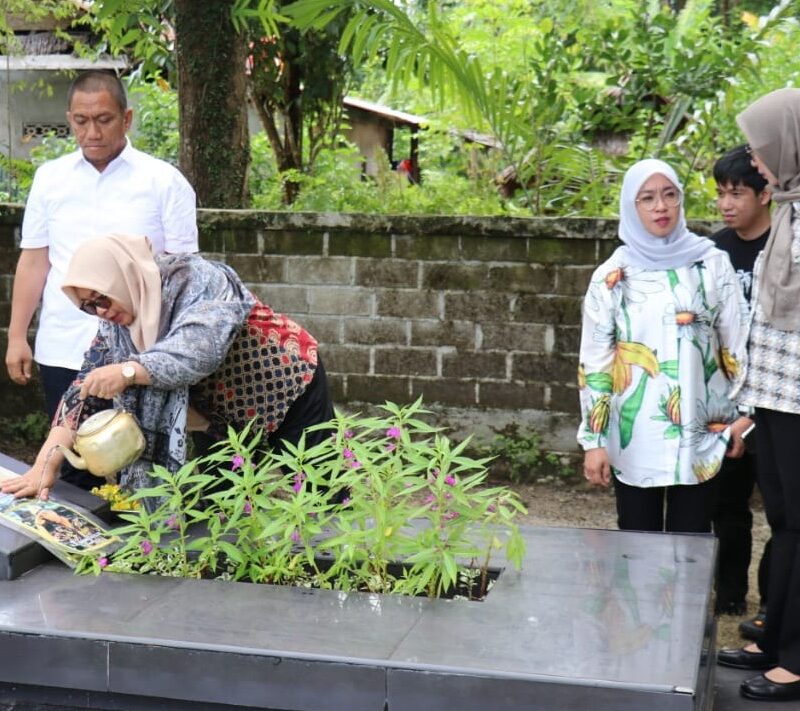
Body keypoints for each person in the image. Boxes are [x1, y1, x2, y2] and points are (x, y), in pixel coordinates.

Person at [0, 234, 334, 511]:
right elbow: (82, 392)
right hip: (218, 416)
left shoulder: (196, 279)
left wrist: (128, 371)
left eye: (101, 298)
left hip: (283, 388)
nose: (100, 311)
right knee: (222, 506)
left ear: (122, 276)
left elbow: (199, 349)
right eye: (88, 306)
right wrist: (44, 467)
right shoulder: (115, 325)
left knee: (323, 491)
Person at [5, 70, 198, 480]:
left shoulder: (164, 182)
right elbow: (35, 260)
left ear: (126, 119)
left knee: (146, 469)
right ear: (69, 119)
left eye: (104, 119)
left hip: (139, 355)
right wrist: (17, 335)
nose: (92, 132)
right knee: (75, 468)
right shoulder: (50, 179)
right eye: (81, 121)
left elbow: (184, 278)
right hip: (64, 346)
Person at [578, 158, 751, 534]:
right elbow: (596, 364)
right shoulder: (613, 277)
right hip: (634, 437)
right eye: (648, 198)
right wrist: (594, 440)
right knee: (637, 543)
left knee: (691, 543)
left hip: (702, 433)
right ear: (631, 206)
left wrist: (744, 417)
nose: (661, 206)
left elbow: (736, 345)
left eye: (670, 195)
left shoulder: (711, 264)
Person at [716, 88, 800, 703]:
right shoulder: (790, 212)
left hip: (797, 400)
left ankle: (795, 657)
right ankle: (776, 637)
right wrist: (749, 406)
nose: (755, 159)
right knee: (786, 524)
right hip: (772, 398)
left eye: (760, 146)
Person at [710, 145, 772, 620]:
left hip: (774, 399)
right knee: (726, 505)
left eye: (736, 194)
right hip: (726, 401)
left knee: (784, 513)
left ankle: (774, 601)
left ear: (765, 193)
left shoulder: (783, 248)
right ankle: (730, 595)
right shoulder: (712, 253)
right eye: (720, 194)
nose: (726, 204)